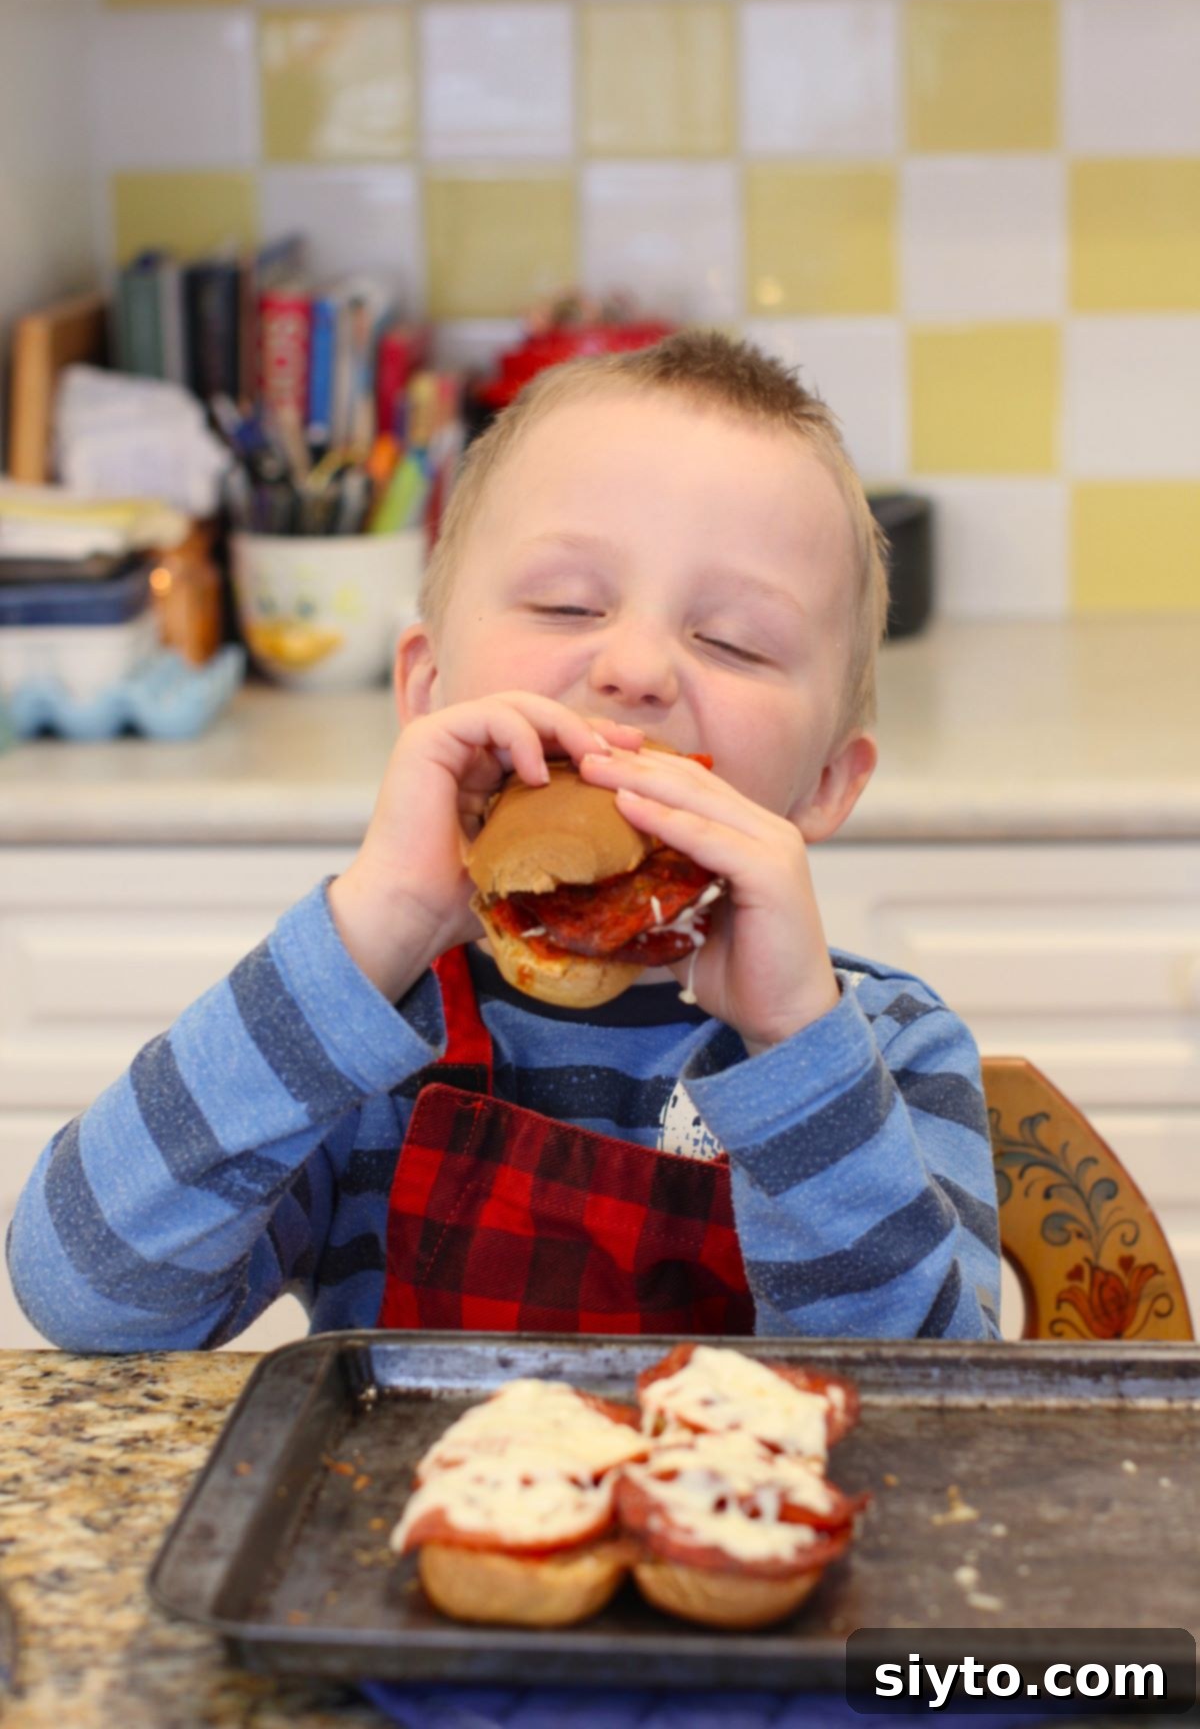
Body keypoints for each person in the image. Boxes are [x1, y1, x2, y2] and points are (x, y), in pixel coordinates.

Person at [7, 331, 1000, 1350]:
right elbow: (85, 1296)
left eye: (733, 640)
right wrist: (376, 925)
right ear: (430, 690)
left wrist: (797, 1047)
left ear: (826, 785)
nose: (636, 667)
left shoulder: (887, 1047)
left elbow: (934, 1408)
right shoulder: (357, 1030)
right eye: (568, 604)